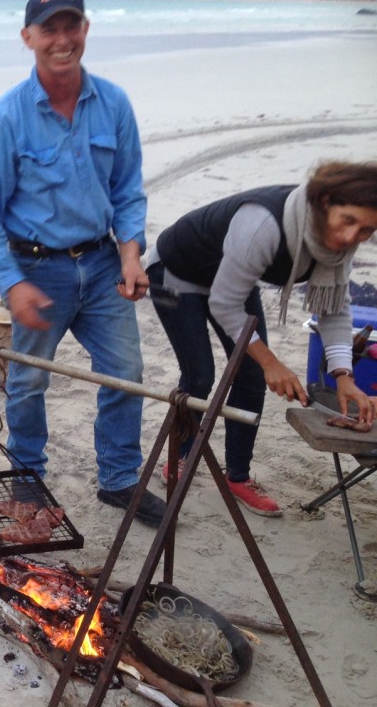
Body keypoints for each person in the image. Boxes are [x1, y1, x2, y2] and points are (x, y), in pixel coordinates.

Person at [0, 0, 166, 527]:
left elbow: (128, 191)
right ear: (28, 37)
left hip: (104, 264)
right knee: (30, 381)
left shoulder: (114, 103)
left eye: (71, 25)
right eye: (49, 28)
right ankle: (27, 477)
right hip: (36, 268)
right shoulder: (6, 118)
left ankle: (120, 481)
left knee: (126, 373)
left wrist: (131, 253)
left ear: (85, 29)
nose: (62, 39)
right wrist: (13, 283)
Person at [146, 161, 377, 516]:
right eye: (348, 221)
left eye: (366, 230)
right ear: (325, 201)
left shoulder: (338, 249)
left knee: (251, 377)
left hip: (232, 278)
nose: (351, 238)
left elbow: (334, 310)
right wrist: (272, 362)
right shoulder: (263, 224)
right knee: (200, 375)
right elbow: (225, 304)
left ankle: (236, 476)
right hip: (176, 270)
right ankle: (181, 454)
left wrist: (344, 375)